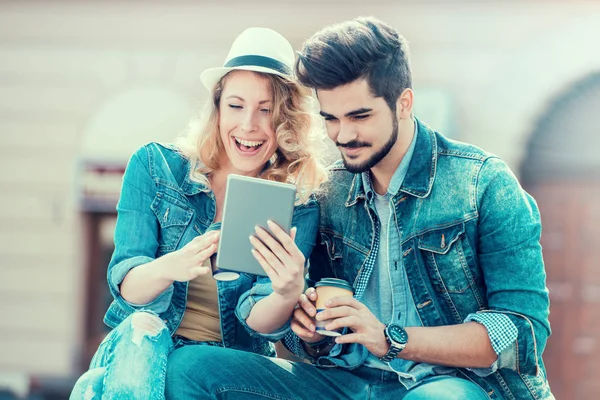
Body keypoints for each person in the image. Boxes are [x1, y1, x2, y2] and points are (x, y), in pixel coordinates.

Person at [164, 17, 554, 400]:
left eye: (360, 116)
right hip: (349, 383)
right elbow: (313, 339)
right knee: (192, 369)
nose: (343, 135)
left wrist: (392, 339)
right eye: (330, 119)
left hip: (454, 385)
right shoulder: (327, 190)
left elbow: (522, 331)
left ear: (404, 103)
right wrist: (312, 333)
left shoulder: (482, 184)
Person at [70, 26, 327, 400]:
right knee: (146, 329)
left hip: (228, 365)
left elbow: (259, 321)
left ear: (285, 121)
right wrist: (173, 266)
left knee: (93, 390)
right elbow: (127, 286)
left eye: (265, 110)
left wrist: (287, 291)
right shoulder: (156, 167)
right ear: (218, 109)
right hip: (139, 348)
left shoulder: (298, 206)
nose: (248, 125)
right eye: (236, 105)